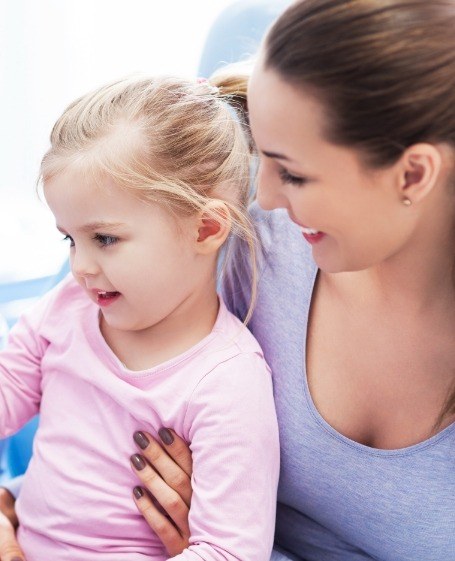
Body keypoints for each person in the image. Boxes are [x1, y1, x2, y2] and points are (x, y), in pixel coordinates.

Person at [2, 0, 455, 559]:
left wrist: (205, 536)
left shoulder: (224, 365)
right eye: (261, 157)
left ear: (413, 173)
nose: (261, 200)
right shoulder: (237, 233)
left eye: (292, 172)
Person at [0, 75, 279, 560]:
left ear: (206, 228)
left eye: (104, 239)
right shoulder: (69, 306)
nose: (79, 266)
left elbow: (229, 552)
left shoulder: (227, 383)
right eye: (70, 239)